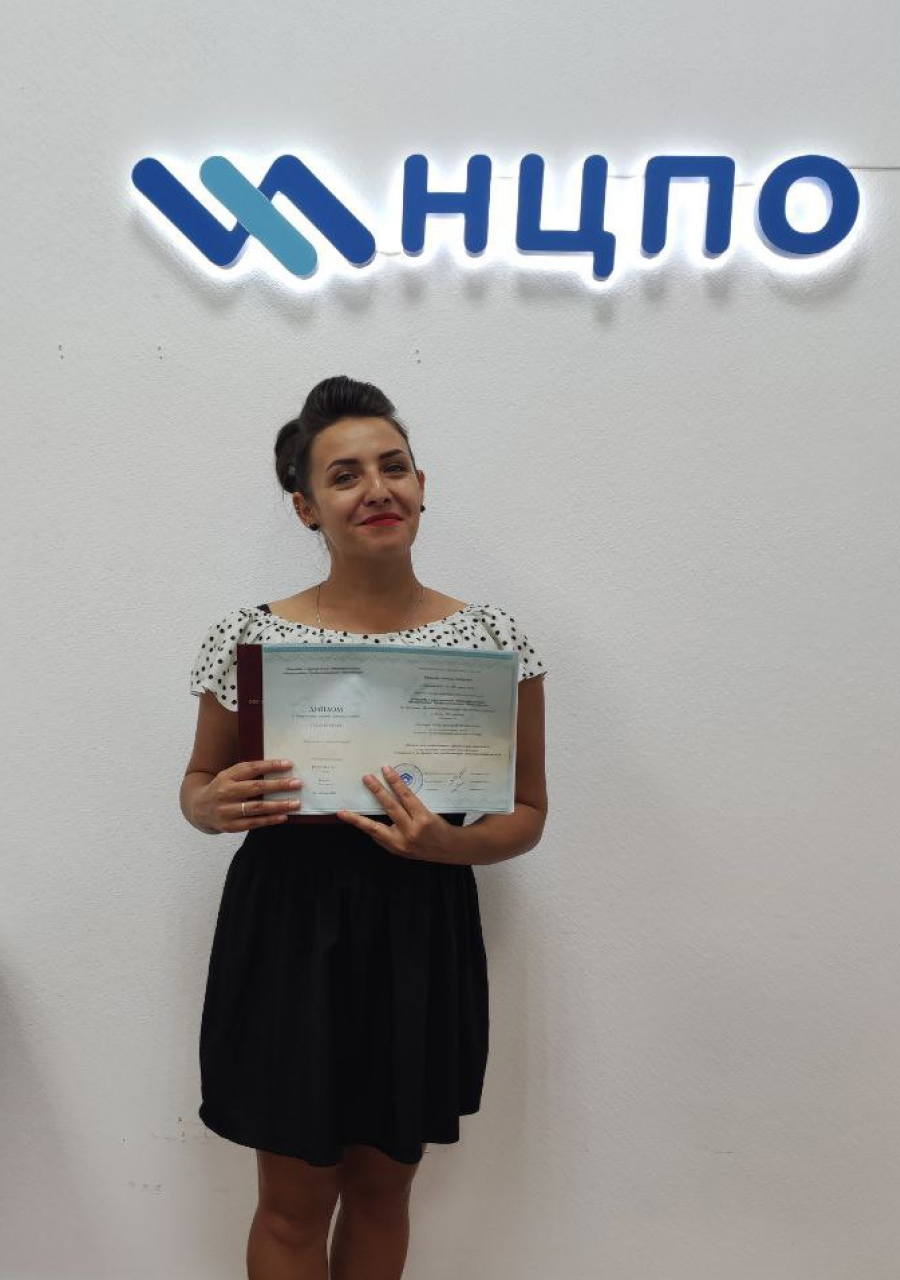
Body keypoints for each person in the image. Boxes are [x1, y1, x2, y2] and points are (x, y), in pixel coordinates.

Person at [180, 374, 549, 1280]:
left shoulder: (493, 640)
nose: (376, 489)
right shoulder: (247, 638)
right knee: (291, 1204)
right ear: (306, 507)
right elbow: (196, 786)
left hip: (419, 926)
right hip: (287, 925)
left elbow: (527, 812)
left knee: (384, 1193)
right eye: (344, 476)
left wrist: (451, 845)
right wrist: (209, 806)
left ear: (422, 486)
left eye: (394, 466)